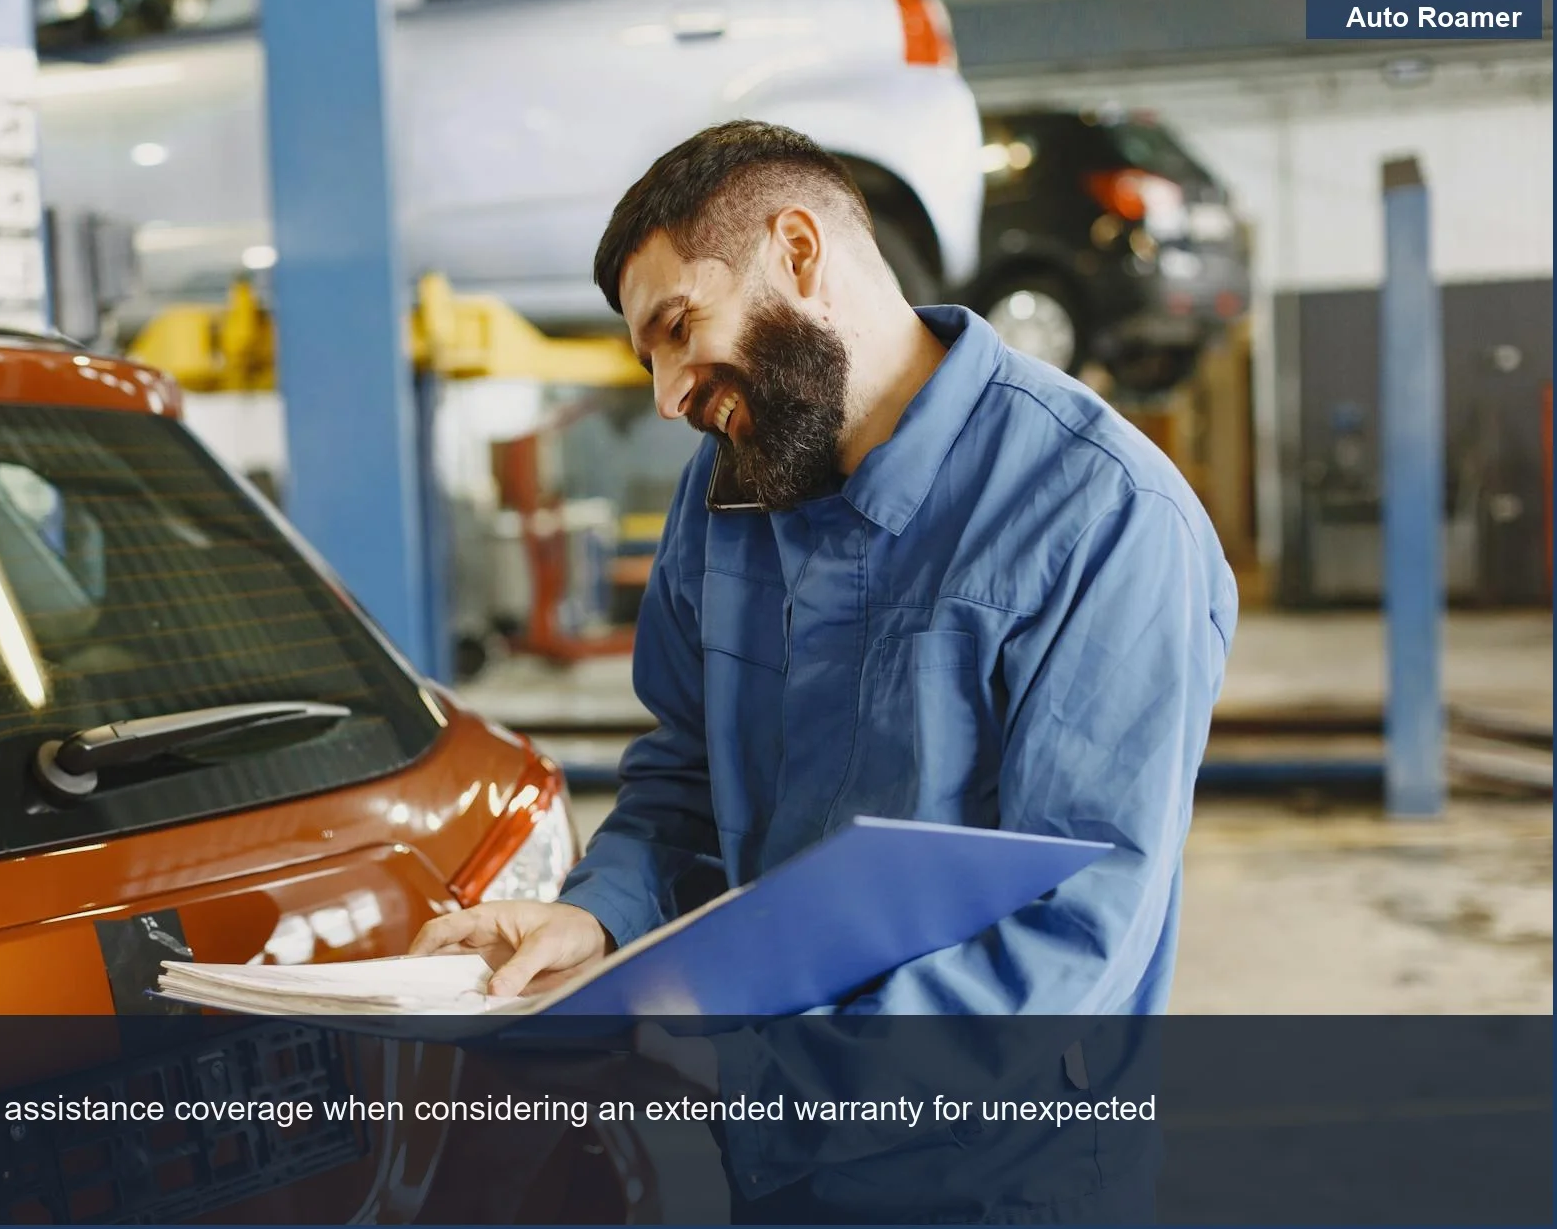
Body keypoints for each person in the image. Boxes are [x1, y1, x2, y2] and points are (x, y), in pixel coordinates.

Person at [413, 117, 1235, 1017]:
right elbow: (685, 776)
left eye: (680, 326)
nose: (667, 394)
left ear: (798, 253)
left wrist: (782, 1063)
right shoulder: (725, 496)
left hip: (987, 1141)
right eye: (651, 358)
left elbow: (1074, 929)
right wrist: (597, 917)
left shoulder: (1100, 514)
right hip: (759, 1131)